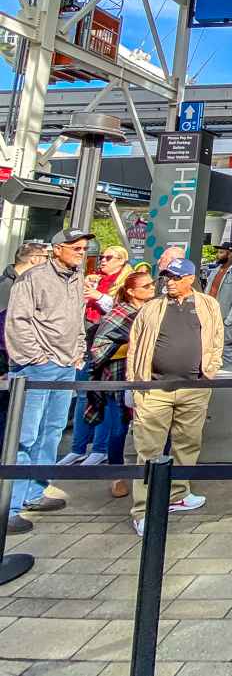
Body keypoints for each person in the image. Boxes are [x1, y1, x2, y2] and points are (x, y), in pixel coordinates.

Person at [126, 257, 223, 535]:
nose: (169, 282)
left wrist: (211, 371)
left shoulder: (207, 305)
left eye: (176, 277)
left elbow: (217, 338)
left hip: (193, 387)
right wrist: (135, 386)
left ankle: (178, 493)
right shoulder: (152, 308)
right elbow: (136, 346)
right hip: (155, 387)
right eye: (167, 277)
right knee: (149, 449)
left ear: (190, 279)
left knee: (188, 442)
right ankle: (143, 508)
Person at [5, 228, 91, 533]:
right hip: (38, 367)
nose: (81, 253)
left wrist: (78, 351)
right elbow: (18, 321)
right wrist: (36, 358)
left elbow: (77, 318)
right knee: (25, 435)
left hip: (67, 364)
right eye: (76, 248)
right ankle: (10, 504)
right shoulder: (33, 279)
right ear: (58, 249)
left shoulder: (76, 278)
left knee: (52, 431)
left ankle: (35, 492)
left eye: (83, 249)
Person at [59, 245, 132, 466]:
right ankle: (78, 448)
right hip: (85, 344)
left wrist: (99, 296)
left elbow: (126, 312)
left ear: (121, 260)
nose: (103, 261)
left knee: (108, 399)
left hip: (111, 350)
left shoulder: (126, 283)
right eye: (102, 257)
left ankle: (100, 449)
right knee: (83, 397)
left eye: (109, 257)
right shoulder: (93, 279)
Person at [86, 268, 157, 497]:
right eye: (146, 286)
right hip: (119, 376)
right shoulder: (119, 313)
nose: (152, 288)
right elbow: (98, 349)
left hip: (147, 376)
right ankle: (116, 474)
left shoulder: (153, 311)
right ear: (130, 291)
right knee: (118, 428)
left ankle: (154, 473)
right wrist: (133, 348)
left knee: (151, 427)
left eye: (152, 284)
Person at [0, 243, 47, 441]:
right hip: (7, 359)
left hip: (15, 358)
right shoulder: (8, 286)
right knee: (6, 414)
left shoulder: (26, 283)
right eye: (46, 257)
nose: (49, 263)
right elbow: (5, 326)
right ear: (34, 259)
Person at [206, 242, 232, 365]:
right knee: (210, 346)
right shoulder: (217, 269)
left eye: (221, 252)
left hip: (225, 316)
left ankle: (225, 377)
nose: (218, 255)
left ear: (230, 254)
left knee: (226, 349)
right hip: (210, 313)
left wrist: (230, 319)